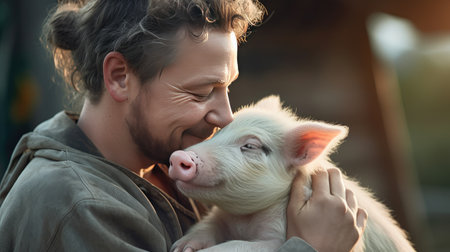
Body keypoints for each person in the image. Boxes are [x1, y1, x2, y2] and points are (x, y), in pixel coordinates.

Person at [0, 0, 367, 251]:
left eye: (226, 88)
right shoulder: (77, 207)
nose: (225, 117)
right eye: (201, 91)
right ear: (119, 76)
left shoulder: (159, 164)